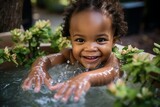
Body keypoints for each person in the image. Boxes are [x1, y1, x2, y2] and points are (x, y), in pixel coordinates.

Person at [22, 0, 127, 103]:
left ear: (113, 41)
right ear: (70, 40)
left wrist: (86, 78)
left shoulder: (112, 60)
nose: (90, 48)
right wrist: (39, 68)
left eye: (100, 40)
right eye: (80, 40)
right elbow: (46, 59)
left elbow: (112, 72)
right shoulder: (70, 55)